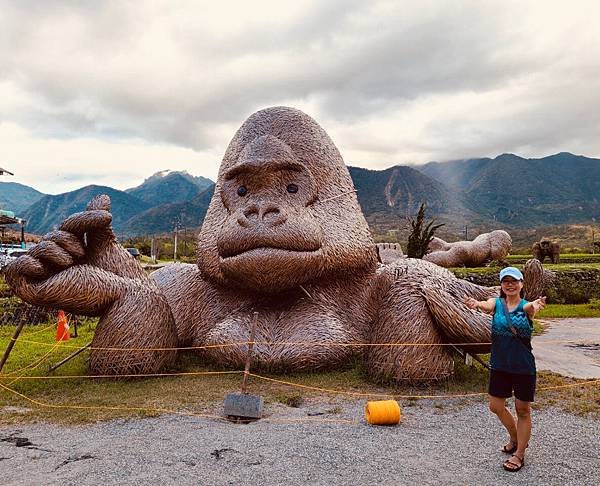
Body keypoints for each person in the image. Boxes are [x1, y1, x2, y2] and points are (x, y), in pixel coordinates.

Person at [464, 266, 546, 472]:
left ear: (521, 284)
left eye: (514, 281)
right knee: (495, 406)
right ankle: (516, 437)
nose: (510, 284)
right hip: (500, 364)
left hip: (523, 366)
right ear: (501, 285)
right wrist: (476, 304)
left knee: (523, 410)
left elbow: (530, 309)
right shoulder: (497, 304)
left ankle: (519, 454)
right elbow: (486, 304)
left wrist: (535, 305)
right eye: (506, 281)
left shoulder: (525, 306)